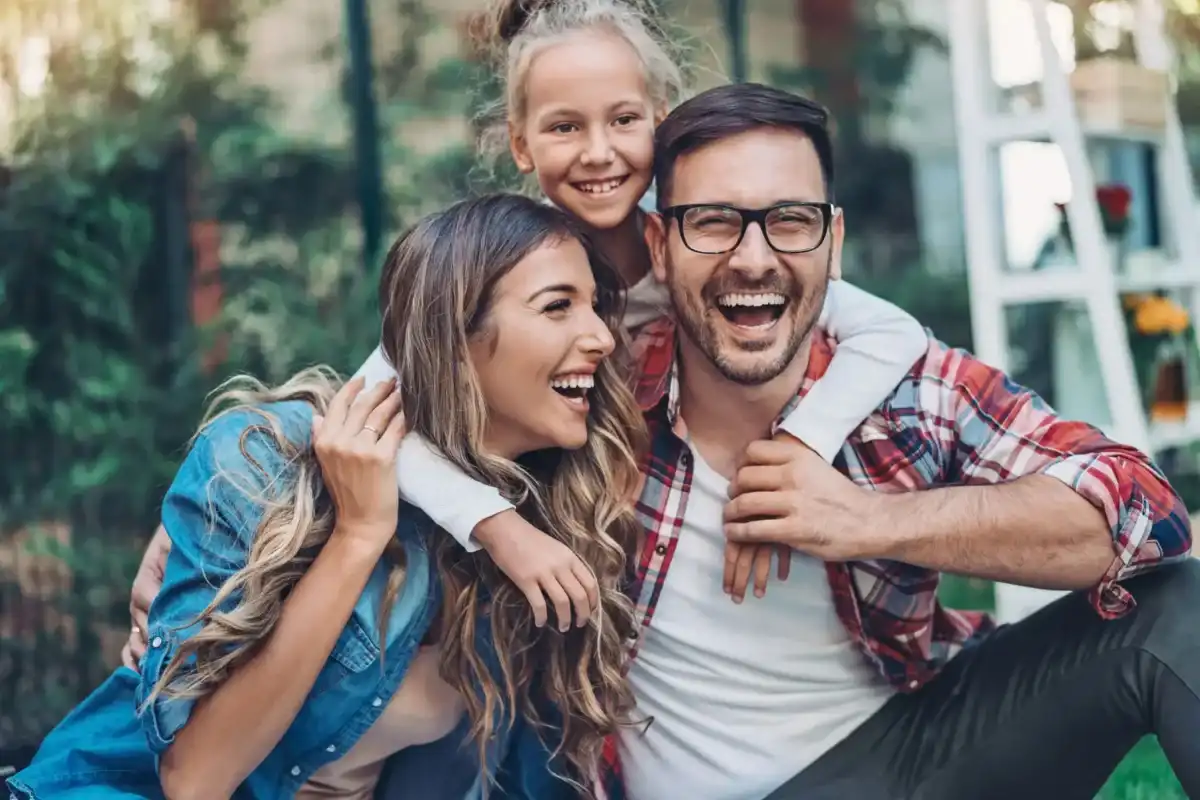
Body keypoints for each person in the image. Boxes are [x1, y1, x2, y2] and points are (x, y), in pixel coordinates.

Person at [122, 0, 931, 671]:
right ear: (520, 144)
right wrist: (495, 528)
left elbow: (893, 333)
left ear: (663, 120)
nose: (599, 152)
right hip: (519, 576)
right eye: (563, 128)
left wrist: (803, 441)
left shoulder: (704, 251)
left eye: (623, 120)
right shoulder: (501, 266)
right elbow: (372, 407)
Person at [595, 83, 1191, 800]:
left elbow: (1143, 514)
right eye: (715, 222)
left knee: (1179, 606)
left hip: (914, 751)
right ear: (660, 246)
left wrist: (865, 520)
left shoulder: (901, 389)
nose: (753, 258)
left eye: (790, 220)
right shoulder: (596, 398)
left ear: (833, 242)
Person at [7, 194, 644, 800]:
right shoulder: (269, 460)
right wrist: (359, 536)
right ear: (455, 341)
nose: (603, 337)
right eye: (558, 306)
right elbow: (194, 779)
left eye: (595, 306)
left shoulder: (547, 539)